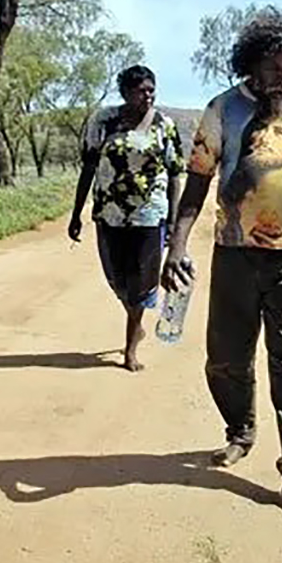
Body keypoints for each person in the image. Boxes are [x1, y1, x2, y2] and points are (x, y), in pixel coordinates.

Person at [161, 7, 282, 503]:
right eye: (273, 67)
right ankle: (240, 429)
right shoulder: (222, 110)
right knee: (226, 360)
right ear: (251, 62)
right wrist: (176, 246)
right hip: (234, 253)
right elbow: (197, 183)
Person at [68, 65, 184, 372]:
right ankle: (135, 320)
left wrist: (173, 221)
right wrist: (76, 213)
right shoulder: (103, 121)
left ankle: (130, 348)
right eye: (140, 90)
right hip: (110, 215)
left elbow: (175, 174)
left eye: (151, 90)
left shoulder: (164, 125)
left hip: (150, 216)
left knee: (142, 282)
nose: (147, 96)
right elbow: (88, 168)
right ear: (125, 93)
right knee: (117, 280)